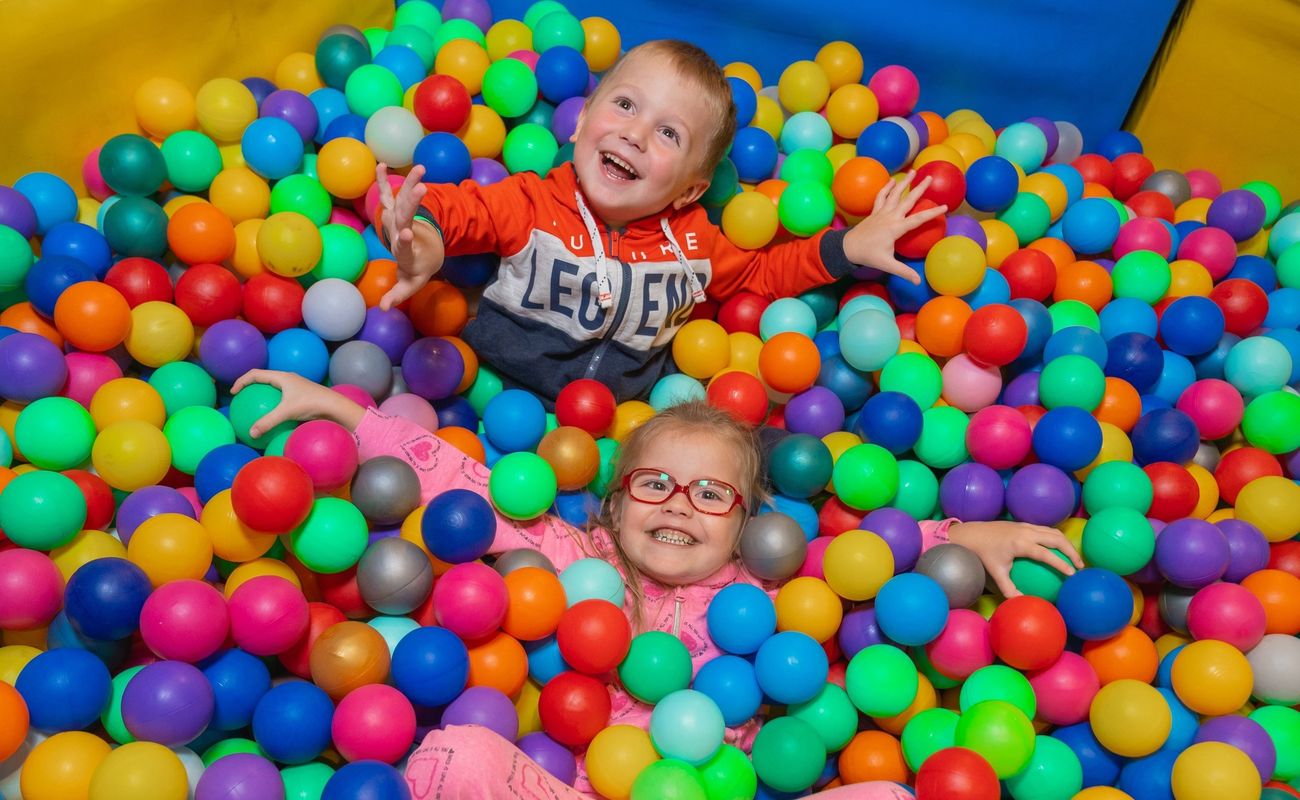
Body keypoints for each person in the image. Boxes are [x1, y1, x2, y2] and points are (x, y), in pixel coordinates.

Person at [233, 369, 1085, 799]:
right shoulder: (575, 558)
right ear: (612, 501)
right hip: (580, 786)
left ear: (751, 523)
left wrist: (962, 533)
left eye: (711, 493)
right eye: (655, 484)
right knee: (455, 754)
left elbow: (868, 558)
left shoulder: (776, 579)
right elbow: (467, 489)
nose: (679, 504)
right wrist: (348, 413)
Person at [371, 39, 948, 405]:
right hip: (481, 389)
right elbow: (454, 209)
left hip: (625, 418)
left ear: (691, 189)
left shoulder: (693, 240)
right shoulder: (532, 201)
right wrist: (419, 239)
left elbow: (762, 277)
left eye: (669, 133)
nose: (635, 133)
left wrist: (850, 246)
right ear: (579, 124)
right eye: (624, 105)